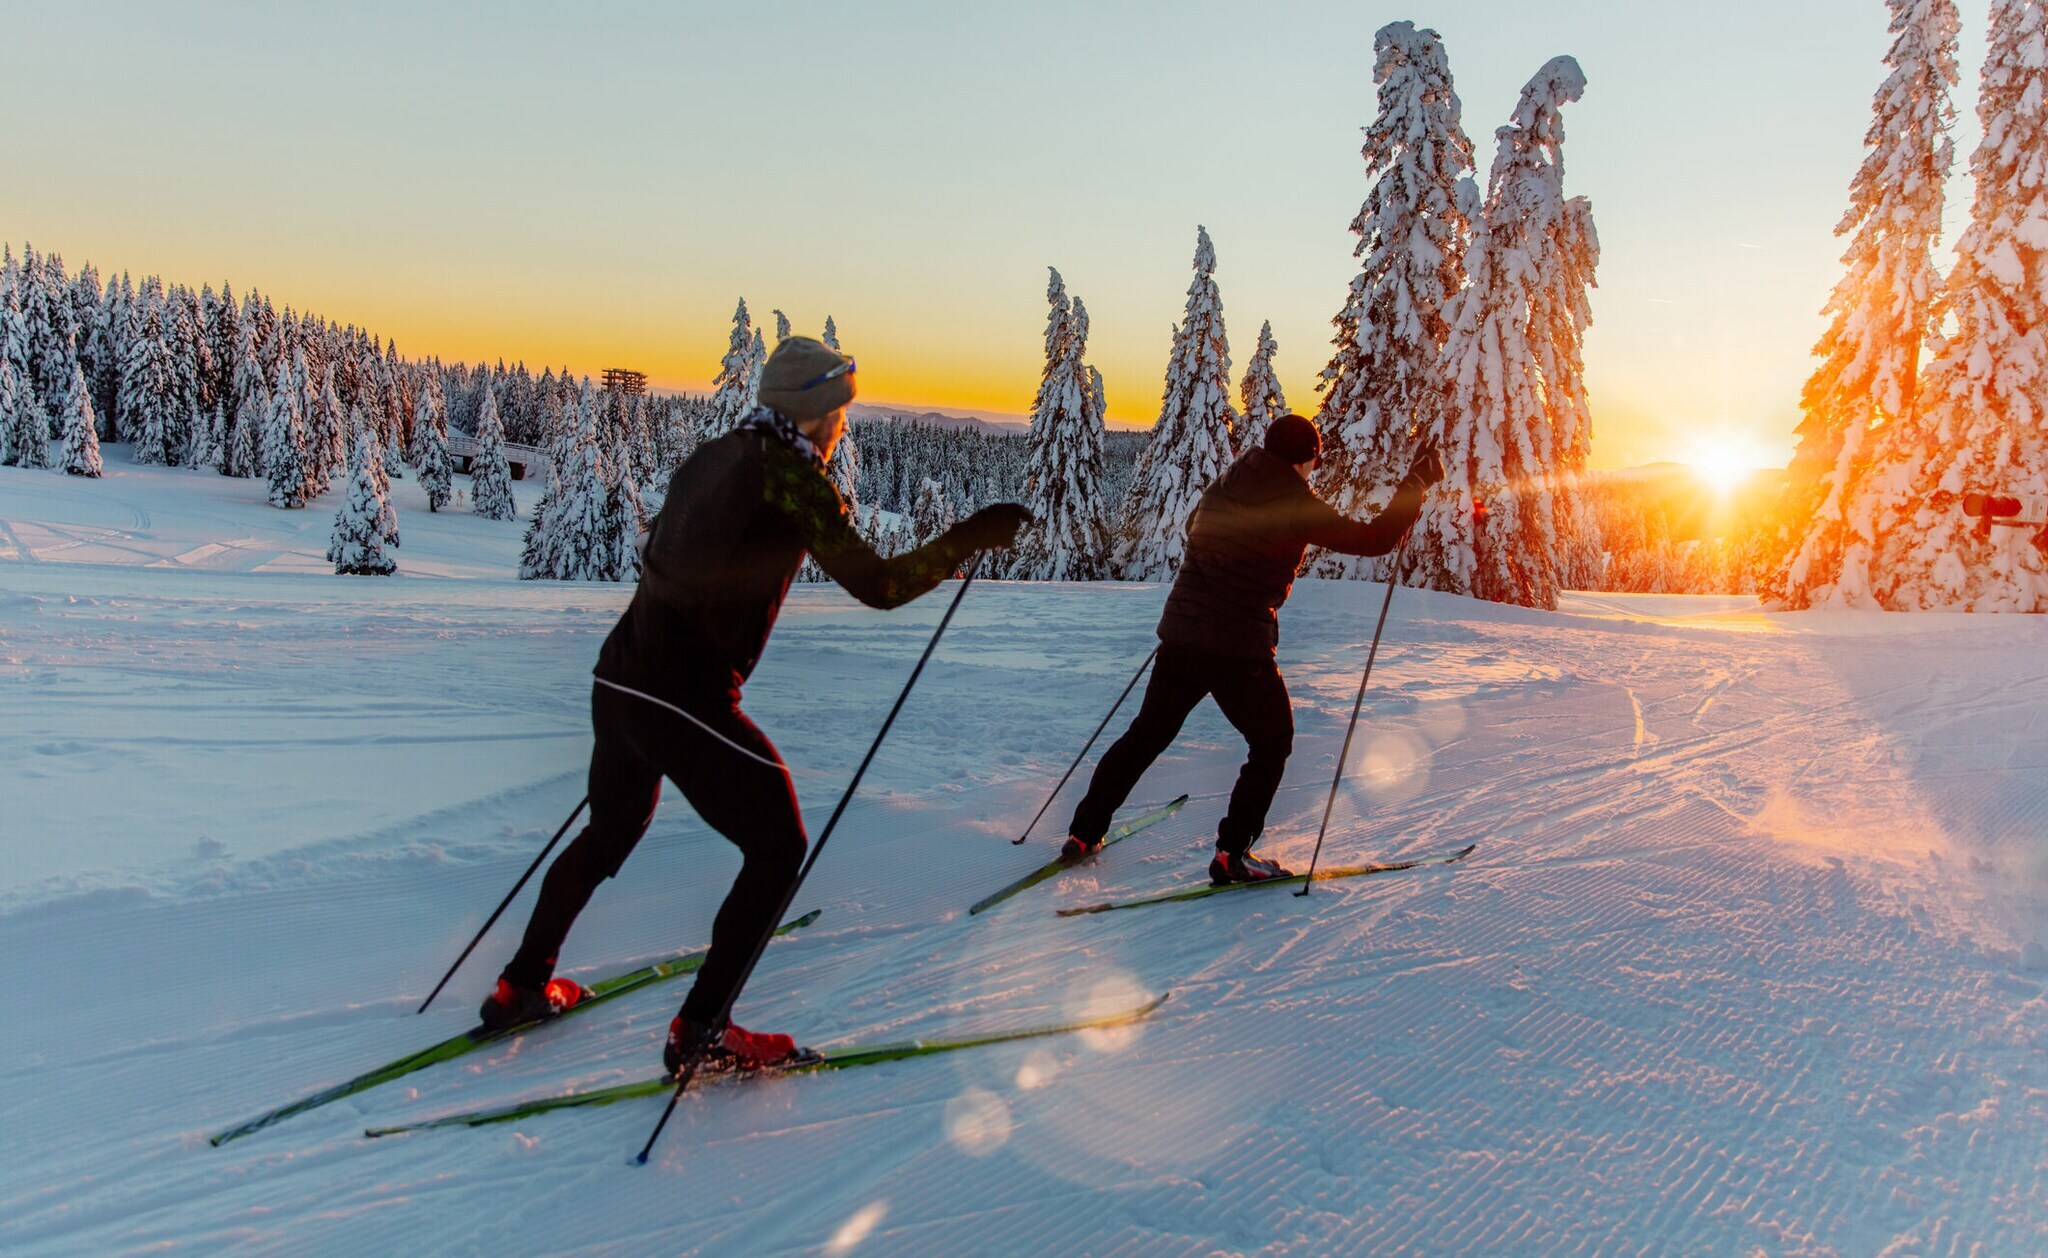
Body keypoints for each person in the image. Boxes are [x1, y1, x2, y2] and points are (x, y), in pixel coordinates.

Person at [479, 336, 1031, 1073]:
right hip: (683, 698)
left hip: (618, 681)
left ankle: (520, 982)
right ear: (817, 411)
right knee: (779, 850)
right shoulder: (792, 477)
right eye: (840, 409)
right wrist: (969, 537)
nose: (843, 425)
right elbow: (881, 586)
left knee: (609, 835)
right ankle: (702, 1029)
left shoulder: (715, 454)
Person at [1062, 413, 1444, 884]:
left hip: (1182, 635)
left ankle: (1083, 833)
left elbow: (1192, 531)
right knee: (1272, 742)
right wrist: (1416, 485)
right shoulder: (1295, 501)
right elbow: (1373, 540)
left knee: (1146, 736)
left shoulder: (1226, 483)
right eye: (1313, 461)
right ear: (1304, 460)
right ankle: (1231, 856)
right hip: (1238, 647)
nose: (1313, 470)